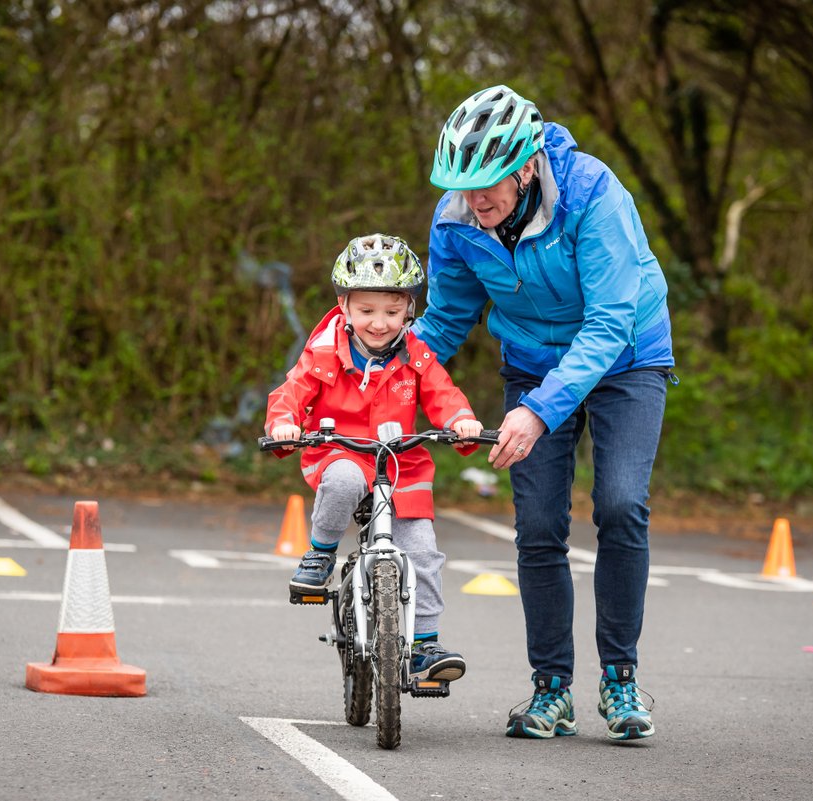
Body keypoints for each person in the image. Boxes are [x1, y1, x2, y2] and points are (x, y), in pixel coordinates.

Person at [413, 85, 676, 741]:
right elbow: (444, 322)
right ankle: (551, 688)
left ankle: (620, 679)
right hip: (531, 360)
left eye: (488, 183)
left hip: (627, 357)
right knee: (536, 524)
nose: (476, 200)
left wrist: (537, 412)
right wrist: (378, 379)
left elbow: (610, 321)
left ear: (527, 163)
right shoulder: (455, 224)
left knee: (619, 502)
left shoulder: (593, 195)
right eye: (463, 185)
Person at [265, 233, 485, 683]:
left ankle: (425, 646)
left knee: (421, 550)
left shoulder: (416, 356)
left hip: (401, 463)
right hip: (339, 452)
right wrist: (285, 424)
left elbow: (443, 395)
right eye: (366, 311)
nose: (379, 323)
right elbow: (291, 394)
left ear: (409, 309)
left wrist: (462, 421)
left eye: (391, 311)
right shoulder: (324, 354)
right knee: (344, 480)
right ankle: (320, 554)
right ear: (344, 307)